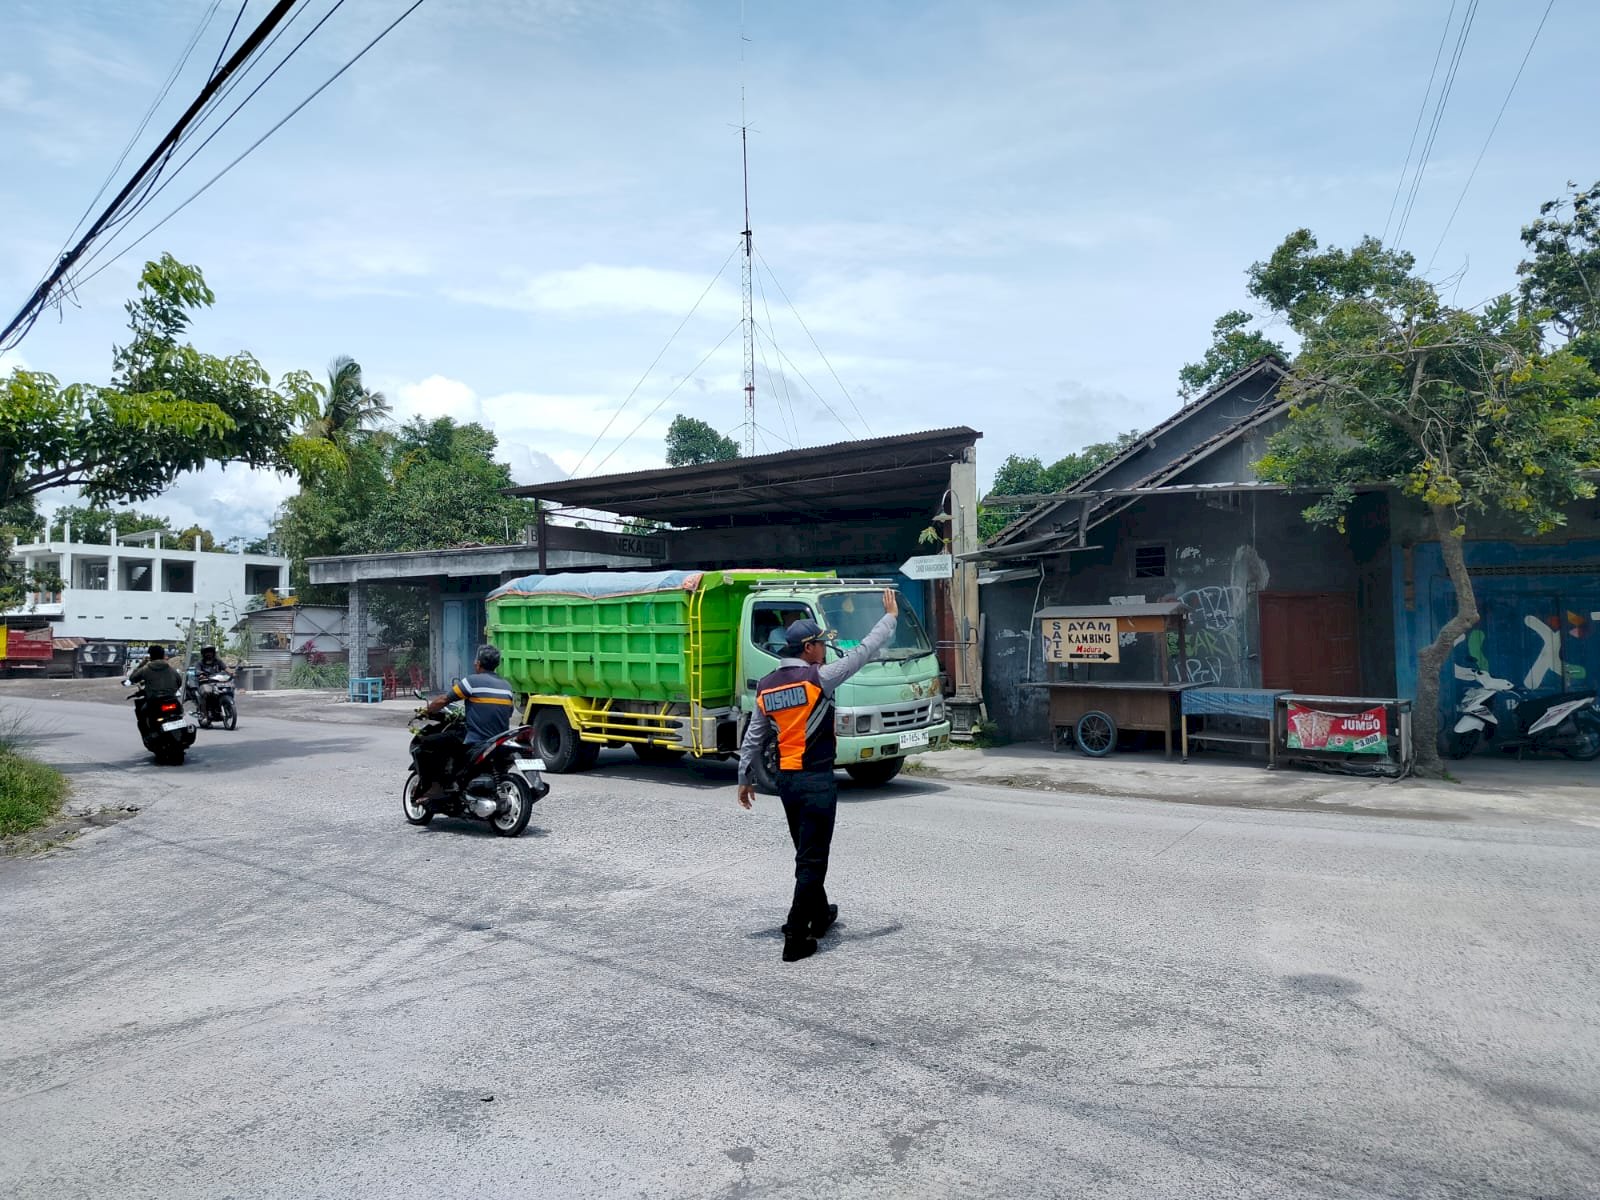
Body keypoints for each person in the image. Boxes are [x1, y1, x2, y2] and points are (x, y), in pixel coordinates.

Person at [737, 588, 899, 962]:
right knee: (812, 859)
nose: (825, 649)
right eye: (821, 644)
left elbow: (754, 739)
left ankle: (820, 914)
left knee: (806, 850)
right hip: (816, 781)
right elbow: (863, 653)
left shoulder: (766, 686)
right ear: (807, 648)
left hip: (787, 783)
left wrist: (745, 778)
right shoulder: (818, 679)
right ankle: (796, 935)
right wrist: (888, 618)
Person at [413, 644, 516, 799]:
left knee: (425, 743)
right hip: (498, 740)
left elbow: (444, 699)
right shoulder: (506, 686)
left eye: (476, 660)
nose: (474, 663)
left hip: (475, 740)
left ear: (479, 663)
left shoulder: (471, 682)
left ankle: (433, 787)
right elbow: (508, 713)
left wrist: (427, 711)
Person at [126, 644, 184, 734]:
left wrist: (141, 664)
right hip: (171, 699)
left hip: (154, 701)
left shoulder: (146, 669)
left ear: (151, 656)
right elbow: (179, 681)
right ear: (163, 655)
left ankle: (149, 735)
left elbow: (133, 678)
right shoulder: (170, 668)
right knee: (179, 713)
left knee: (142, 714)